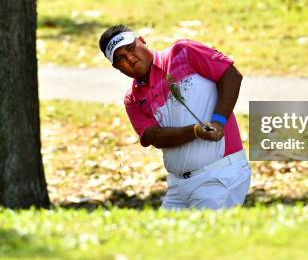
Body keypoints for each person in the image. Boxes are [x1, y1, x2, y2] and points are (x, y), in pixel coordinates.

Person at [98, 25, 251, 209]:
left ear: (142, 41)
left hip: (218, 174)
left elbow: (231, 76)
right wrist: (195, 131)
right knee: (161, 237)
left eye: (131, 48)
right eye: (120, 58)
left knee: (202, 236)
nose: (130, 58)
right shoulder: (133, 98)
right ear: (116, 67)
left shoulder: (183, 52)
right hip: (178, 187)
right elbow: (155, 137)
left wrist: (218, 122)